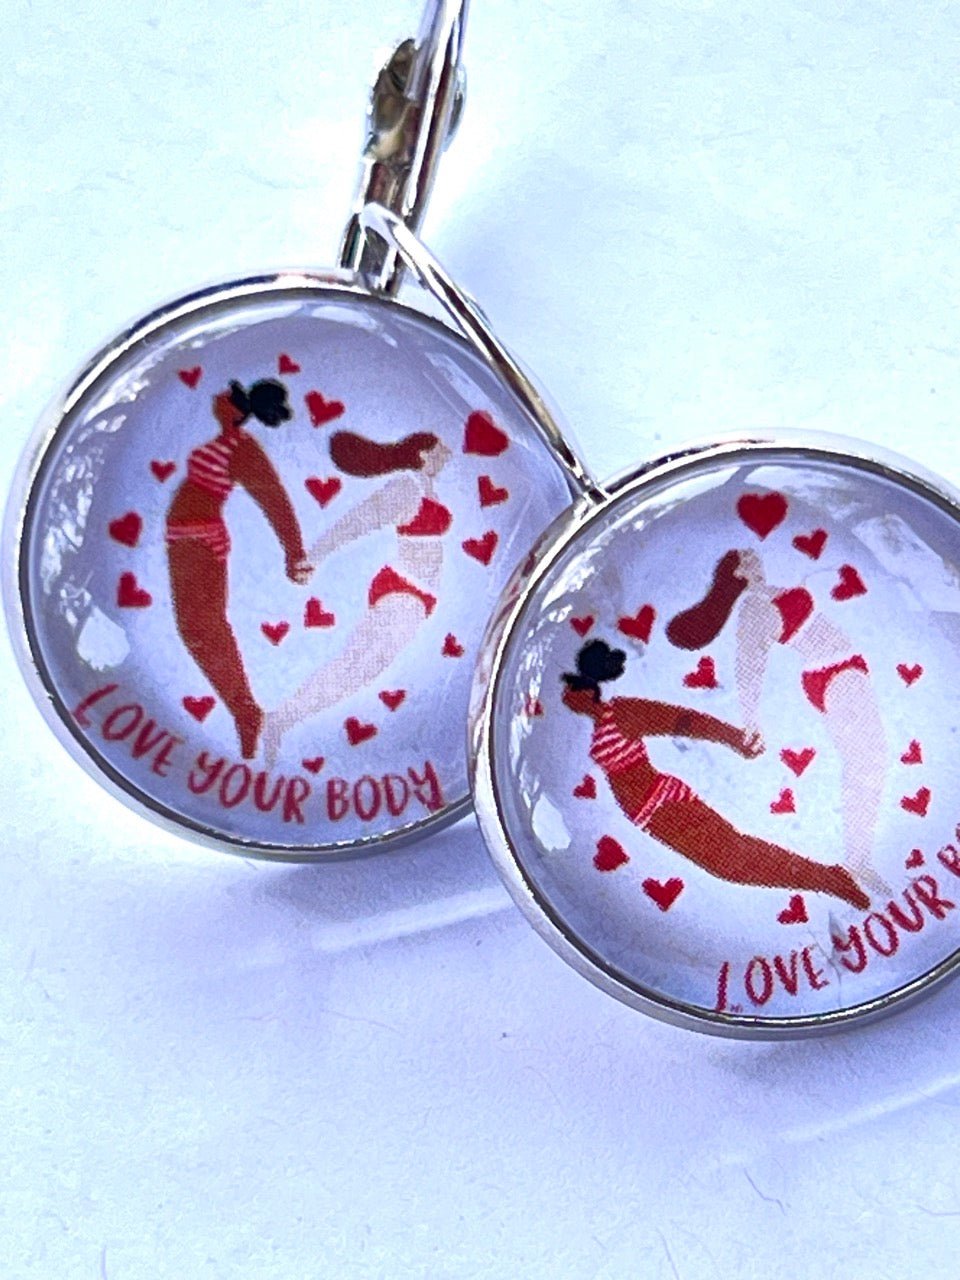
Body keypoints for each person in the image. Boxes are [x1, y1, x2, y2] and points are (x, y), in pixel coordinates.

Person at [562, 639, 870, 910]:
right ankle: (828, 879)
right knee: (729, 865)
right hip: (653, 819)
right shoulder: (599, 731)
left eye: (569, 691)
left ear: (586, 691)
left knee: (733, 859)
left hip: (666, 805)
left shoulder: (621, 713)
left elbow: (682, 721)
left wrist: (733, 737)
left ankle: (828, 879)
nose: (565, 699)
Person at [666, 547, 887, 895]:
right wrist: (750, 719)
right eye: (745, 559)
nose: (754, 556)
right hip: (834, 673)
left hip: (844, 669)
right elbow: (749, 665)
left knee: (866, 762)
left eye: (750, 553)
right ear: (737, 575)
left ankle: (858, 858)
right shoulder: (753, 608)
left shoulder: (770, 593)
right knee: (869, 761)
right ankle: (857, 860)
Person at [261, 429, 453, 762]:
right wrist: (315, 555)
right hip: (403, 590)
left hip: (419, 597)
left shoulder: (426, 489)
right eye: (440, 450)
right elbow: (357, 522)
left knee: (362, 669)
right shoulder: (407, 487)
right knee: (356, 665)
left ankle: (281, 719)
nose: (447, 455)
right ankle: (281, 719)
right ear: (423, 455)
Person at [166, 378, 310, 760]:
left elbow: (274, 499)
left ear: (233, 407)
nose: (215, 395)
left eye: (224, 394)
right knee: (194, 630)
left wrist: (294, 553)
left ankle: (245, 713)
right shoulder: (221, 442)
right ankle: (245, 712)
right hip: (182, 544)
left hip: (201, 545)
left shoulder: (243, 449)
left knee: (205, 629)